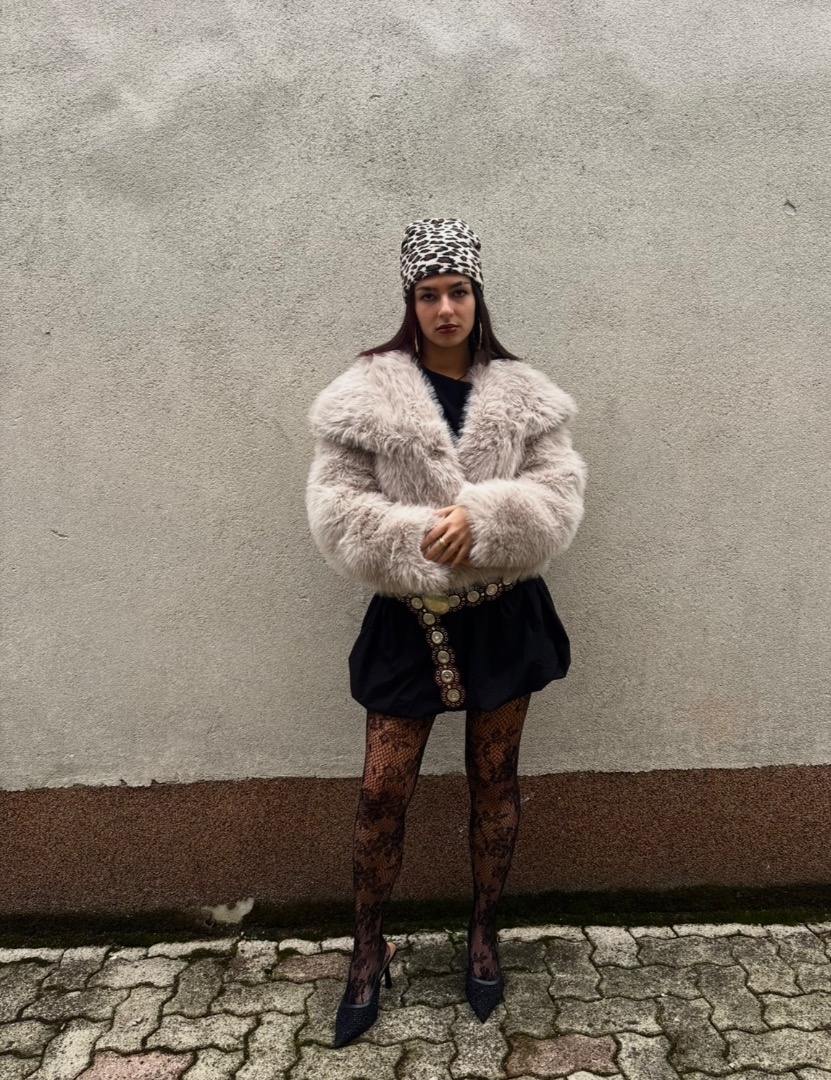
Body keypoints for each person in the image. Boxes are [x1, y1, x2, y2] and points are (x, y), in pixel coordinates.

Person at [306, 218, 587, 1047]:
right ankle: (368, 950)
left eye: (457, 291)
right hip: (410, 621)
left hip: (503, 617)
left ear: (477, 295)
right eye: (428, 294)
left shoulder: (525, 395)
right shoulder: (365, 395)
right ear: (411, 301)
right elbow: (335, 507)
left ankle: (483, 936)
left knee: (494, 784)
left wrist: (488, 518)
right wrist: (422, 534)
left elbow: (560, 495)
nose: (445, 308)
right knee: (380, 791)